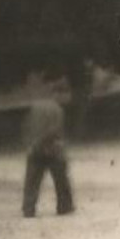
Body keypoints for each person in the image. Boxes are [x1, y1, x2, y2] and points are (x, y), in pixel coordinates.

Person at [21, 78, 75, 218]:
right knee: (61, 180)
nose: (68, 99)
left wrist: (31, 144)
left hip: (34, 148)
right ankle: (64, 207)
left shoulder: (36, 106)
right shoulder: (57, 110)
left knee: (32, 180)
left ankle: (28, 208)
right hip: (52, 148)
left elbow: (27, 126)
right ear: (60, 94)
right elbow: (54, 129)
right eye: (67, 95)